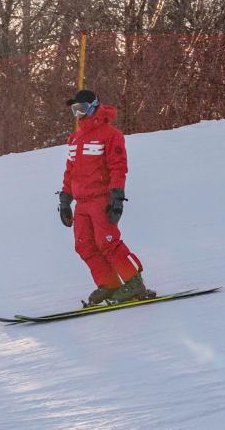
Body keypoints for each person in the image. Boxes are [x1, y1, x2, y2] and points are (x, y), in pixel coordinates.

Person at [57, 89, 155, 305]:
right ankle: (109, 284)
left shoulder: (110, 135)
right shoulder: (75, 139)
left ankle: (134, 282)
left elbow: (118, 167)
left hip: (101, 199)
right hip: (82, 202)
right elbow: (70, 171)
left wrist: (117, 197)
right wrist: (65, 200)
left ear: (94, 107)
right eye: (75, 110)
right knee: (84, 245)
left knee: (108, 242)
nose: (79, 114)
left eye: (82, 109)